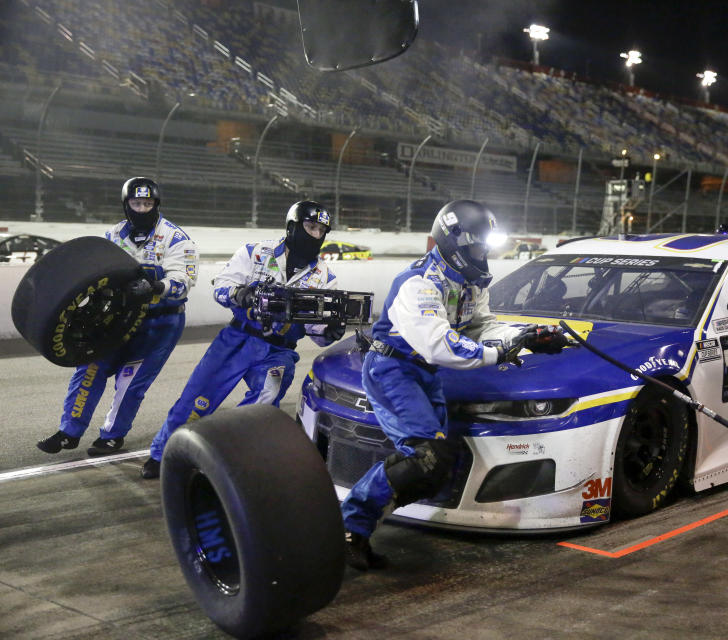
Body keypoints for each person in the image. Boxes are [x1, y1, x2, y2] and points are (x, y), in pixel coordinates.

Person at [340, 200, 569, 570]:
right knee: (424, 457)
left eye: (485, 247)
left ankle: (361, 524)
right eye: (477, 246)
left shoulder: (469, 282)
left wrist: (527, 336)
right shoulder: (419, 283)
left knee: (435, 464)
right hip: (392, 369)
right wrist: (501, 354)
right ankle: (349, 527)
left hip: (424, 374)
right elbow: (440, 344)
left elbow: (482, 326)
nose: (483, 254)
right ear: (456, 243)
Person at [141, 200, 343, 478]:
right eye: (310, 227)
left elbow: (317, 334)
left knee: (265, 400)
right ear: (292, 226)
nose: (316, 235)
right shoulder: (255, 252)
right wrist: (239, 294)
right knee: (196, 400)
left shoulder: (326, 277)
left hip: (278, 351)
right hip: (236, 340)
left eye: (322, 230)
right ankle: (163, 453)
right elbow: (221, 286)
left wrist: (330, 330)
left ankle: (227, 457)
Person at [38, 177, 198, 456]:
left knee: (129, 380)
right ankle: (69, 432)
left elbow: (184, 279)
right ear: (126, 205)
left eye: (147, 203)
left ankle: (112, 436)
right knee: (88, 369)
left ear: (156, 204)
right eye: (136, 203)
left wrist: (157, 286)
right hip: (117, 319)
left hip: (160, 323)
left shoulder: (176, 238)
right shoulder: (113, 235)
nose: (142, 208)